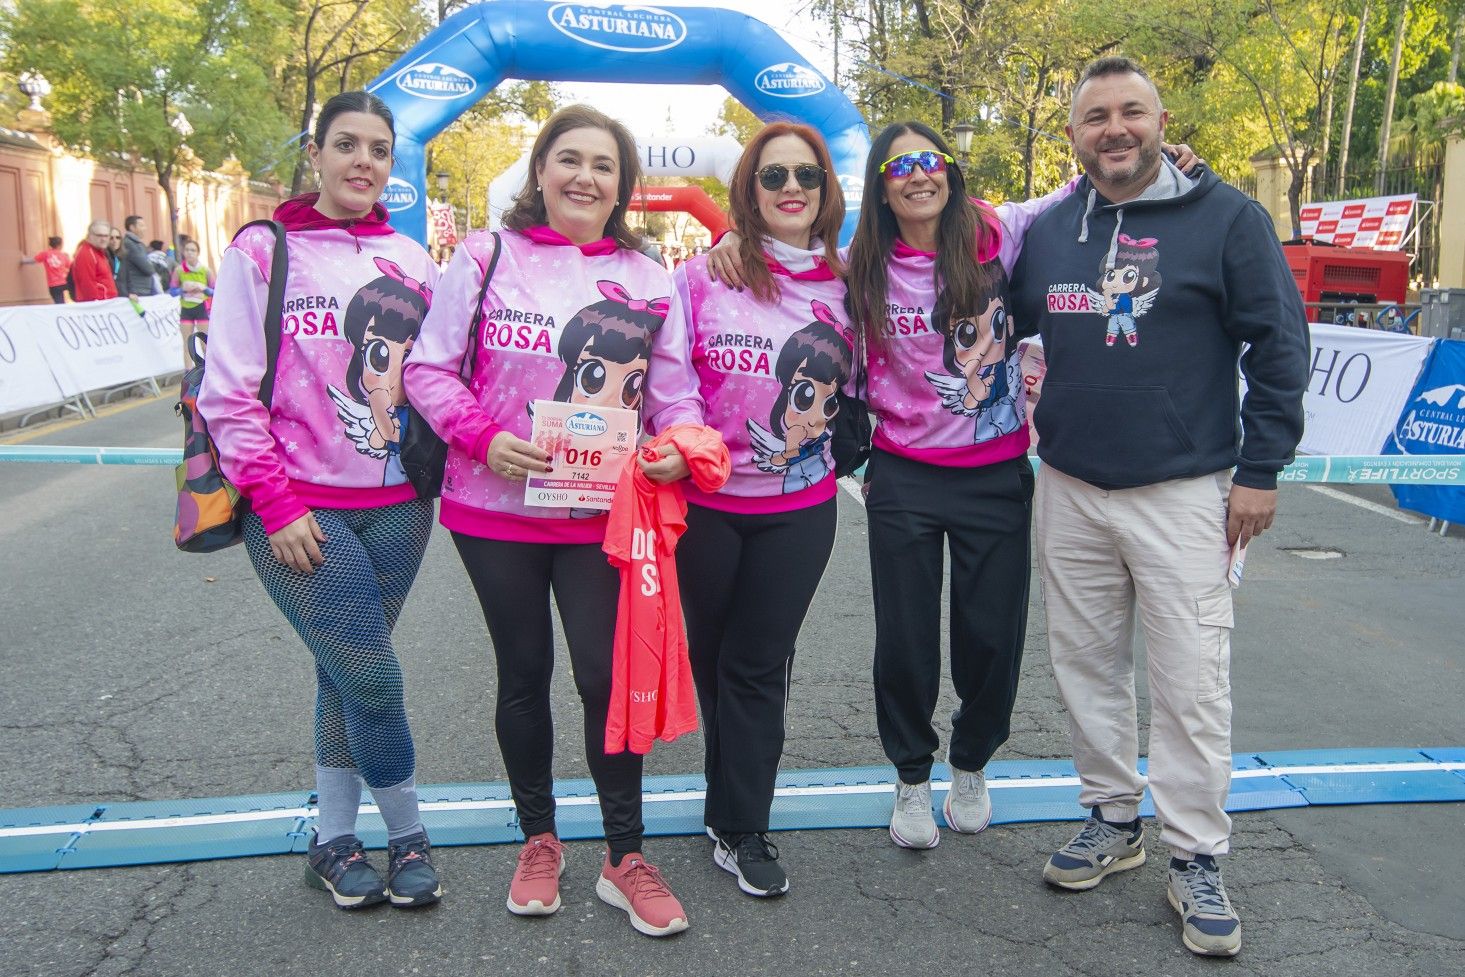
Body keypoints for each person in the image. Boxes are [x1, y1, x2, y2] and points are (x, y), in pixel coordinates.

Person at [707, 126, 1202, 854]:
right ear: (881, 184)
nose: (917, 175)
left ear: (949, 171)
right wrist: (727, 239)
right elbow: (781, 274)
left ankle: (968, 761)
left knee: (990, 641)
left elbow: (1086, 184)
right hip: (903, 475)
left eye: (929, 161)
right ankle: (910, 774)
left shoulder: (997, 234)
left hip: (996, 477)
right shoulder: (859, 271)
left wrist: (1171, 161)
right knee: (905, 643)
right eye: (899, 165)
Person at [1009, 56, 1308, 958]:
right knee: (1085, 666)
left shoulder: (1227, 218)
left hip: (1186, 492)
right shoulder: (1052, 230)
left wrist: (1260, 471)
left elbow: (1279, 346)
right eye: (1095, 115)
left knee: (1189, 680)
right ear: (1073, 134)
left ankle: (1194, 854)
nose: (1114, 129)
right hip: (1069, 486)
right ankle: (1111, 818)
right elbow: (993, 311)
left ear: (1159, 117)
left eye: (1130, 112)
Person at [405, 104, 688, 938]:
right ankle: (538, 840)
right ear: (539, 171)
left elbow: (674, 391)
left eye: (603, 165)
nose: (584, 178)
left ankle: (624, 854)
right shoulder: (486, 254)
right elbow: (426, 368)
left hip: (604, 513)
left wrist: (675, 442)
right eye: (569, 159)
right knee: (523, 672)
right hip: (494, 511)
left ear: (621, 186)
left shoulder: (648, 277)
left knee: (606, 680)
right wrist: (483, 439)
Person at [197, 90, 443, 911]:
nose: (362, 162)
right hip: (298, 510)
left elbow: (437, 381)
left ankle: (333, 844)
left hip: (403, 505)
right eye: (346, 145)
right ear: (316, 152)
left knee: (342, 673)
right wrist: (274, 503)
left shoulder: (413, 260)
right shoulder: (263, 251)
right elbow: (227, 394)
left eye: (378, 148)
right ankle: (409, 834)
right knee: (371, 675)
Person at [642, 122, 851, 899]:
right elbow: (672, 377)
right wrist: (689, 442)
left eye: (805, 175)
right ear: (748, 193)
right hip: (705, 504)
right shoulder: (703, 276)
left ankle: (744, 823)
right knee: (714, 656)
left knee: (758, 663)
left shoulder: (851, 281)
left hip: (799, 507)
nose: (790, 187)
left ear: (826, 190)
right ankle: (720, 801)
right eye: (771, 177)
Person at [169, 238, 216, 366]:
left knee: (205, 344)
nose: (190, 253)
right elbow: (171, 291)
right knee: (187, 344)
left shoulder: (206, 270)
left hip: (202, 308)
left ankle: (208, 373)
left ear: (198, 253)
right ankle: (188, 377)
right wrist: (182, 289)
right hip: (186, 309)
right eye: (187, 250)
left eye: (193, 250)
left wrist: (203, 288)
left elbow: (215, 291)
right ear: (183, 252)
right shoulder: (179, 270)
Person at [118, 215, 161, 300]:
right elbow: (147, 267)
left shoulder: (136, 243)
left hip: (142, 288)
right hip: (138, 289)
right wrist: (155, 266)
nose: (145, 228)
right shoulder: (131, 244)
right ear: (132, 227)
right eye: (141, 225)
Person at [72, 222, 118, 301]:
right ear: (90, 236)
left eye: (106, 236)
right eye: (99, 235)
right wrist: (95, 306)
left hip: (106, 303)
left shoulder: (98, 252)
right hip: (98, 306)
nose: (103, 239)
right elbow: (87, 284)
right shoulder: (86, 254)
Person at [24, 236, 72, 303]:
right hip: (63, 282)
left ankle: (61, 312)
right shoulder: (63, 255)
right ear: (60, 245)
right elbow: (71, 266)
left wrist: (22, 261)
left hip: (53, 284)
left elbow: (33, 260)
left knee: (59, 302)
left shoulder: (45, 254)